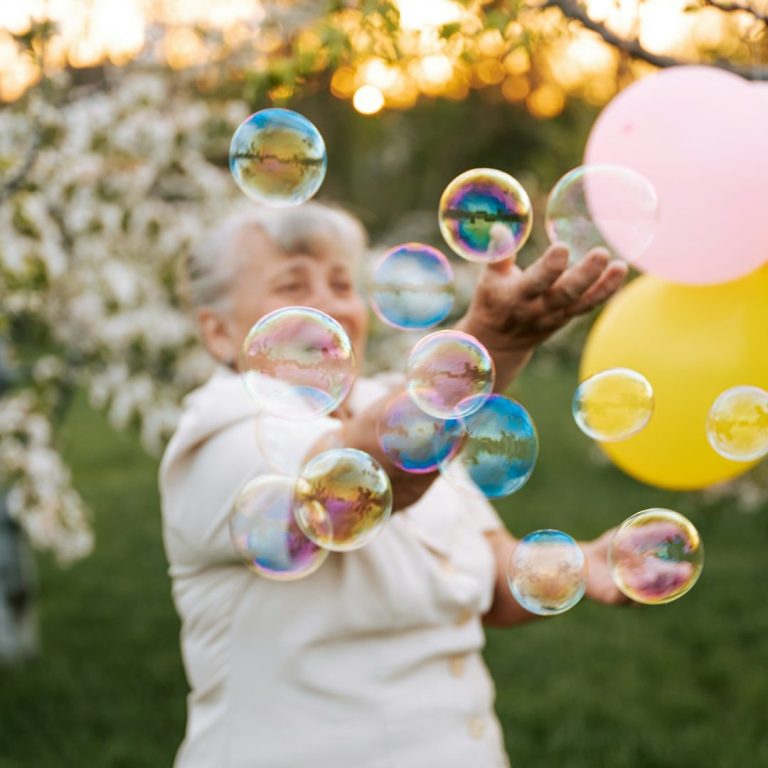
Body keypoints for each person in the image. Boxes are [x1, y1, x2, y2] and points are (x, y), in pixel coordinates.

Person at [160, 201, 629, 768]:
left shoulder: (393, 407)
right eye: (291, 285)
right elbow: (362, 481)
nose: (328, 304)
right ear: (217, 331)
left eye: (340, 283)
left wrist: (583, 562)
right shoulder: (220, 436)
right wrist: (490, 343)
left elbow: (494, 578)